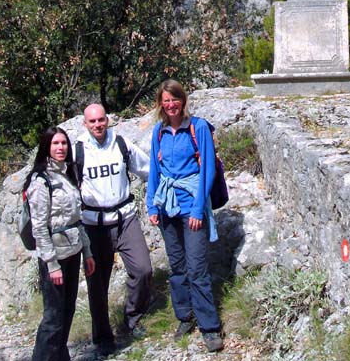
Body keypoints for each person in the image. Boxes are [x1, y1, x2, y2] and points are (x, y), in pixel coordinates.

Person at [147, 79, 224, 353]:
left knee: (197, 267)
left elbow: (208, 171)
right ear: (161, 104)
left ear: (183, 100)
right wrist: (152, 206)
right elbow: (155, 171)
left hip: (191, 205)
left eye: (174, 99)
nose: (170, 105)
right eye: (165, 101)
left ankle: (210, 327)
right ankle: (184, 317)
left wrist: (197, 208)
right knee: (177, 267)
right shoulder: (159, 131)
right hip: (167, 207)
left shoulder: (198, 127)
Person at [76, 103, 152, 357]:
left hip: (125, 218)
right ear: (85, 124)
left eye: (101, 120)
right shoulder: (78, 151)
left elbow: (147, 169)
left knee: (143, 270)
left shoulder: (121, 144)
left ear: (107, 119)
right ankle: (103, 337)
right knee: (97, 283)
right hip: (93, 225)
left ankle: (132, 319)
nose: (98, 125)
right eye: (92, 121)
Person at [25, 127, 95, 361]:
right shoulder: (40, 181)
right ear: (46, 146)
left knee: (67, 312)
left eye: (64, 143)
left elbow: (77, 219)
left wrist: (88, 252)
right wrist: (52, 264)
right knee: (53, 317)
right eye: (55, 143)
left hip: (73, 251)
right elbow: (39, 227)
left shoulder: (66, 175)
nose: (60, 148)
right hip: (54, 257)